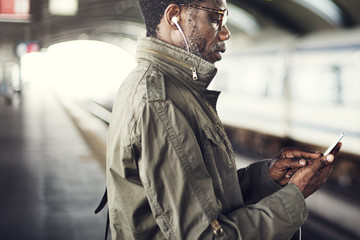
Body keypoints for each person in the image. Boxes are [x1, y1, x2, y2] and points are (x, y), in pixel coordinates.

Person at [106, 0, 342, 239]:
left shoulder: (176, 90)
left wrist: (265, 178)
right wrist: (295, 194)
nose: (226, 33)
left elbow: (203, 195)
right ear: (174, 17)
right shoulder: (161, 102)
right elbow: (204, 235)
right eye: (216, 18)